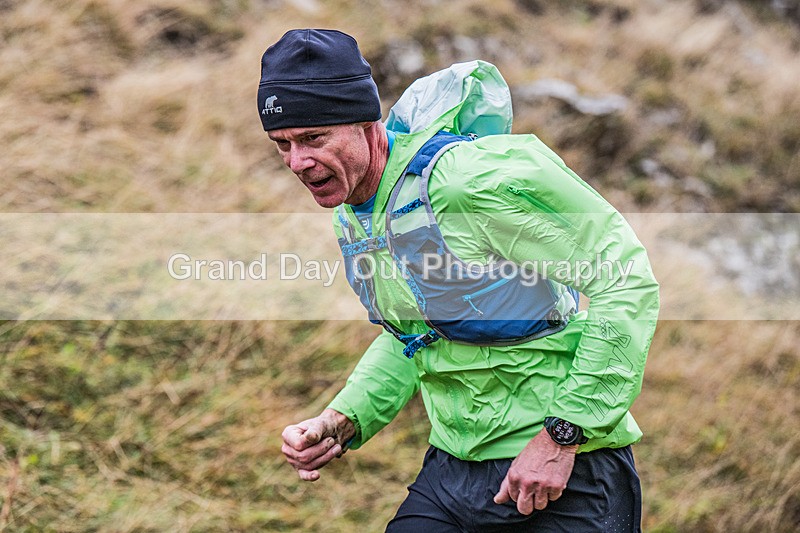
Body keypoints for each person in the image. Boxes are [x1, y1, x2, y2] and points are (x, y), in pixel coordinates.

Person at [262, 29, 659, 532]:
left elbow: (624, 280)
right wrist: (343, 419)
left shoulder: (467, 181)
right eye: (283, 145)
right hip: (453, 469)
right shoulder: (356, 211)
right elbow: (417, 333)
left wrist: (561, 438)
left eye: (314, 138)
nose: (298, 162)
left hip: (565, 472)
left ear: (366, 124)